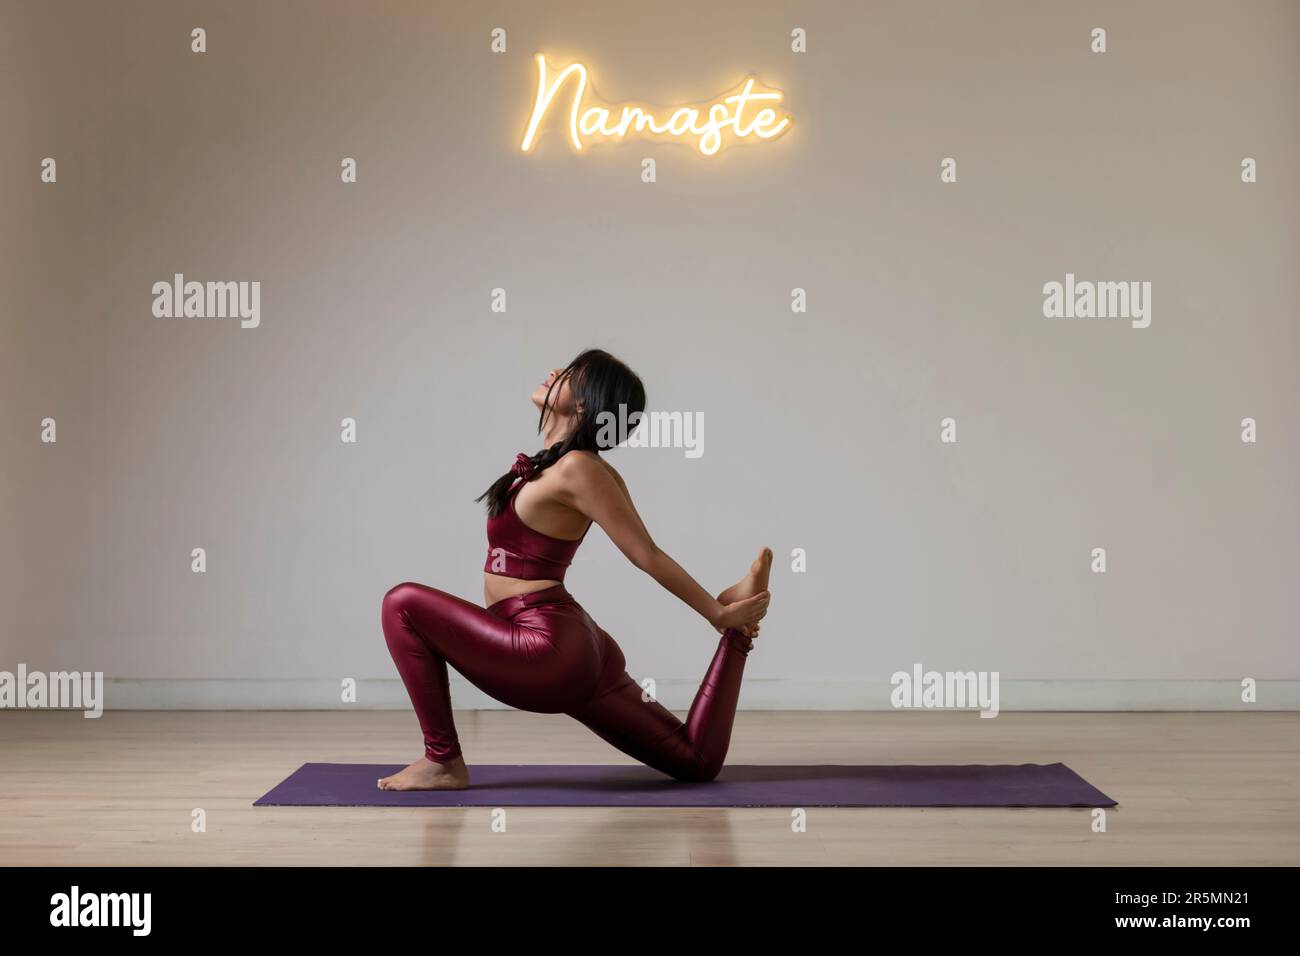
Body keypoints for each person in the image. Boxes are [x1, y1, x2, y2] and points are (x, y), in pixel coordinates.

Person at [379, 348, 771, 790]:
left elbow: (646, 553)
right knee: (694, 761)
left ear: (583, 403)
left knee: (402, 603)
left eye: (567, 373)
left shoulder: (579, 468)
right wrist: (729, 626)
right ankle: (740, 634)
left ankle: (443, 760)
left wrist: (714, 615)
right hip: (570, 646)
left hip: (543, 646)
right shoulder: (563, 465)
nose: (552, 372)